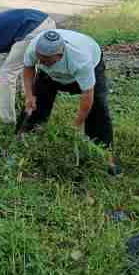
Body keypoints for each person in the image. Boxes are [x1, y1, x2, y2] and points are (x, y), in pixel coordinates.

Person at [20, 30, 120, 175]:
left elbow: (87, 95)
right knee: (35, 107)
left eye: (46, 61)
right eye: (40, 59)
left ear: (60, 55)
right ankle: (22, 145)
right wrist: (29, 96)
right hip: (50, 77)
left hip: (92, 66)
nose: (42, 63)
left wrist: (76, 125)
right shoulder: (34, 49)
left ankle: (107, 159)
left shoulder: (81, 60)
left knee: (98, 112)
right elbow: (28, 68)